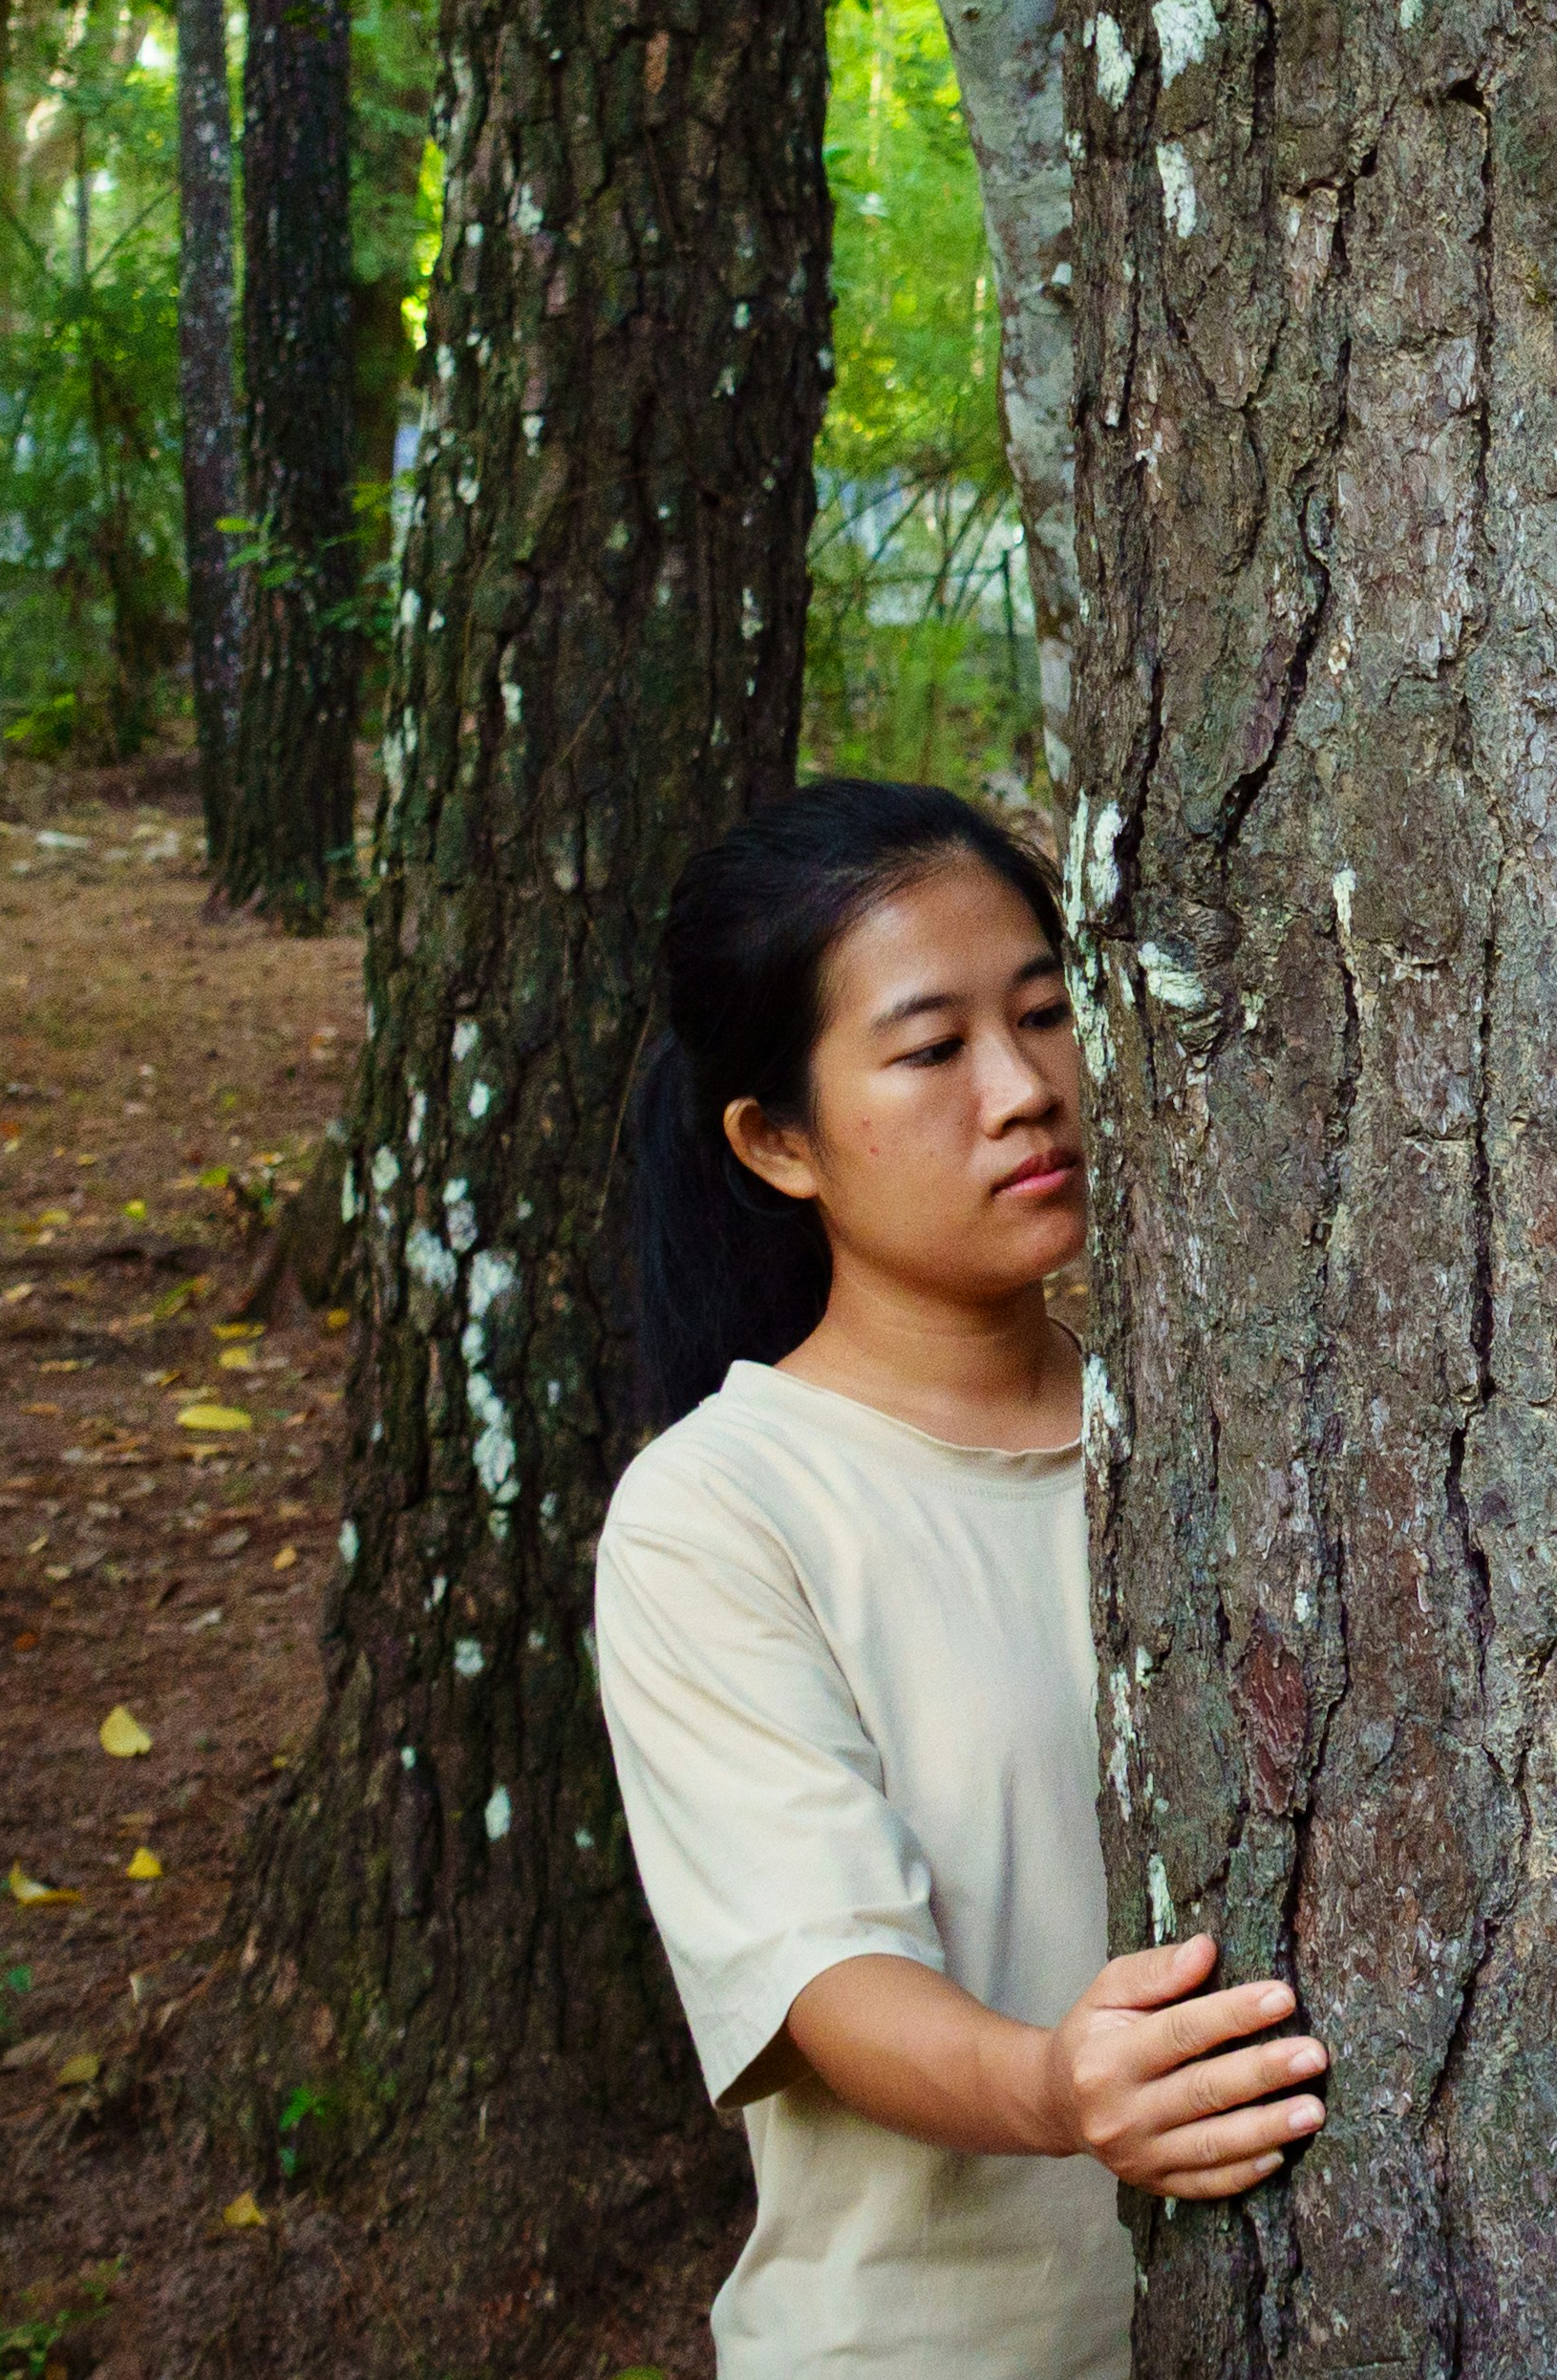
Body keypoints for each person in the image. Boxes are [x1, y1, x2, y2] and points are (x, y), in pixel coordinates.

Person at [594, 781, 1326, 2376]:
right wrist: (1059, 2090)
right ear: (776, 1139)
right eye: (932, 1049)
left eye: (1048, 1014)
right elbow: (820, 1973)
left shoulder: (1213, 1422)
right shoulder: (722, 1511)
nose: (1023, 1090)